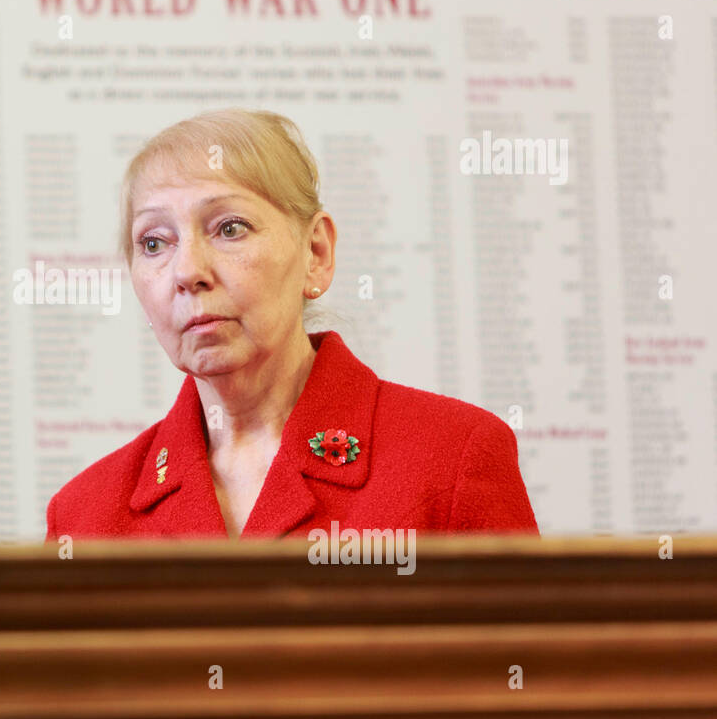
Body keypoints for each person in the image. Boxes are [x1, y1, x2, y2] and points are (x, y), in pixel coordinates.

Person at [45, 108, 539, 541]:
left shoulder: (453, 459)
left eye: (229, 228)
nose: (187, 271)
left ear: (315, 254)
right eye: (154, 242)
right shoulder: (83, 515)